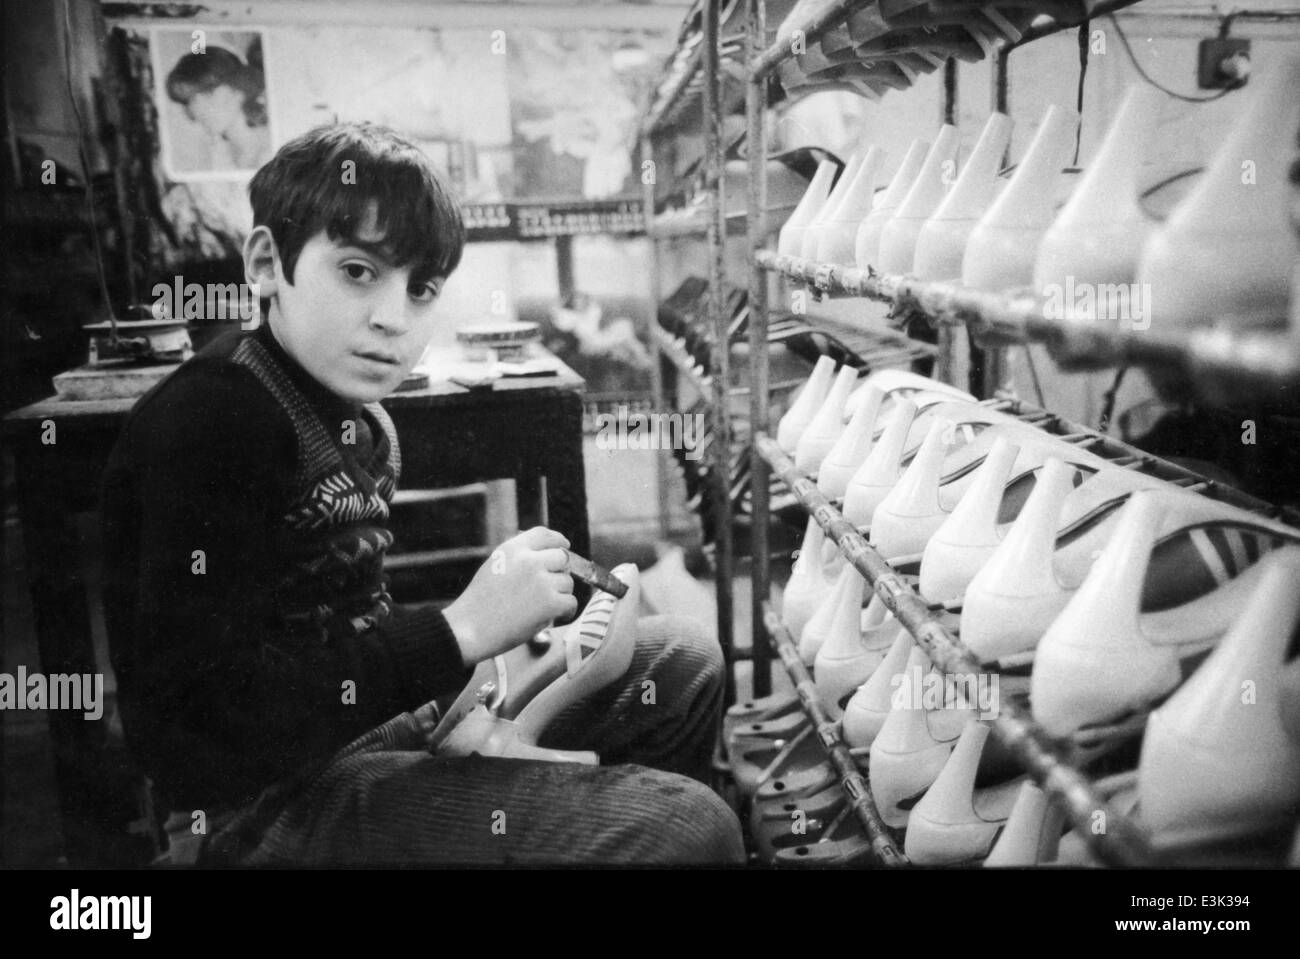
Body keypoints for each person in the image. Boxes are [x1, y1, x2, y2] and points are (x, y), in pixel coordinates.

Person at [101, 122, 744, 865]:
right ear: (266, 262)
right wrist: (458, 632)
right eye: (357, 271)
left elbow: (340, 624)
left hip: (364, 732)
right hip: (253, 808)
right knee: (694, 829)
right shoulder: (212, 420)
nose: (393, 319)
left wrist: (484, 628)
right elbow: (188, 737)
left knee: (688, 662)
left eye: (421, 287)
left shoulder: (357, 412)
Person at [166, 44, 270, 171]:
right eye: (189, 101)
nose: (197, 109)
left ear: (239, 87)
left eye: (207, 93)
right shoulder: (217, 156)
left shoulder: (270, 150)